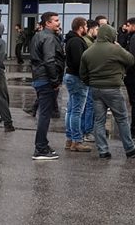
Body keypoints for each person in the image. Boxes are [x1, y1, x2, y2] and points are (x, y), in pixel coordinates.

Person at [79, 24, 135, 159]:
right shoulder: (115, 49)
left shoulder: (88, 51)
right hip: (112, 89)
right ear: (110, 35)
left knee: (99, 121)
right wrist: (119, 46)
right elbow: (131, 60)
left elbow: (83, 74)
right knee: (121, 119)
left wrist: (91, 83)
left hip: (96, 89)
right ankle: (129, 148)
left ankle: (103, 151)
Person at [29, 12, 64, 161]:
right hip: (46, 80)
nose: (59, 23)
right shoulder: (49, 38)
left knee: (44, 114)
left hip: (39, 77)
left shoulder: (39, 35)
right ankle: (41, 148)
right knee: (44, 115)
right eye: (56, 20)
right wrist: (55, 81)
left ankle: (43, 145)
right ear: (47, 23)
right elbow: (49, 60)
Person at [62, 17, 94, 151]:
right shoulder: (76, 41)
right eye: (86, 26)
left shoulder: (71, 40)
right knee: (76, 111)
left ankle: (70, 139)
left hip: (71, 76)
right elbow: (78, 62)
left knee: (71, 110)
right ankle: (76, 141)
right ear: (81, 27)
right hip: (77, 78)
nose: (87, 28)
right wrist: (85, 76)